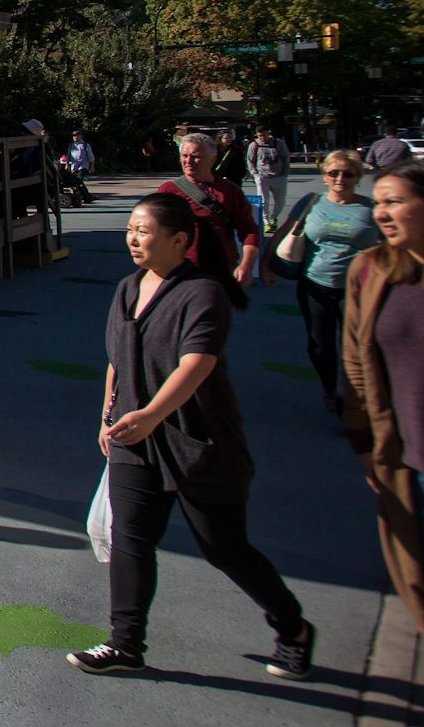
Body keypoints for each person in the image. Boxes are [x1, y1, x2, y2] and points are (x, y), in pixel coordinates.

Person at [68, 193, 313, 677]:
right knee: (130, 538)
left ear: (179, 240)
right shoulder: (126, 288)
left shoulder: (203, 293)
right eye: (131, 229)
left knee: (224, 547)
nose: (133, 238)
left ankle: (293, 628)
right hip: (136, 437)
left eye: (144, 230)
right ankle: (125, 643)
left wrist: (154, 413)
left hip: (199, 441)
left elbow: (197, 362)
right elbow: (118, 358)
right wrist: (107, 416)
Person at [340, 159, 424, 638]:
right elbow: (355, 364)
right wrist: (362, 439)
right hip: (406, 455)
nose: (381, 213)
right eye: (378, 202)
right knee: (422, 571)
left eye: (395, 201)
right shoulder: (371, 270)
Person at [261, 150, 379, 414]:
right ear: (324, 176)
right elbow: (281, 234)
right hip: (314, 285)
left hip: (358, 290)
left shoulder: (371, 209)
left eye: (348, 174)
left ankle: (356, 396)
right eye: (333, 173)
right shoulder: (310, 202)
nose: (340, 179)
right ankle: (330, 388)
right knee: (320, 344)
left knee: (359, 346)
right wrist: (266, 265)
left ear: (358, 177)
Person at [159, 132, 260, 295]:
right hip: (179, 272)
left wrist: (247, 265)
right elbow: (156, 232)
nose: (188, 161)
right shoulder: (168, 190)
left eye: (196, 156)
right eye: (184, 155)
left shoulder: (230, 191)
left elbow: (249, 230)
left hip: (220, 271)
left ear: (212, 160)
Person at [246, 123, 292, 234]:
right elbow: (250, 161)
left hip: (278, 177)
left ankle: (273, 217)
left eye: (265, 135)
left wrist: (285, 174)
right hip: (262, 177)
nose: (263, 138)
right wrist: (255, 175)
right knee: (263, 202)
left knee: (280, 202)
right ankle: (266, 222)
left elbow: (285, 158)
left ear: (269, 133)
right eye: (260, 135)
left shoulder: (278, 143)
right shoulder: (254, 145)